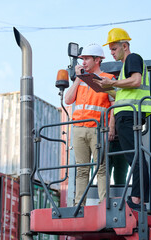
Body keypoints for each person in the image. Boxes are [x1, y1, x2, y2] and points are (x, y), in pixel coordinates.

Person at [94, 28, 151, 210]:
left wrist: (112, 83)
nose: (111, 53)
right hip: (127, 114)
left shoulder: (133, 59)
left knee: (134, 157)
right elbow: (123, 91)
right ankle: (138, 198)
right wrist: (103, 86)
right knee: (134, 156)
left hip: (129, 114)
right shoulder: (125, 67)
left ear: (124, 46)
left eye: (113, 48)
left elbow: (135, 81)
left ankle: (136, 200)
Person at [64, 43, 116, 206]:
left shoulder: (109, 78)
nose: (83, 62)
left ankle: (104, 204)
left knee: (101, 169)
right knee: (82, 170)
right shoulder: (80, 80)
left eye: (87, 59)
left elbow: (114, 105)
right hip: (79, 129)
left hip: (98, 129)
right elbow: (68, 100)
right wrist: (78, 79)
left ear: (97, 60)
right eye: (83, 59)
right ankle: (80, 205)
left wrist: (111, 127)